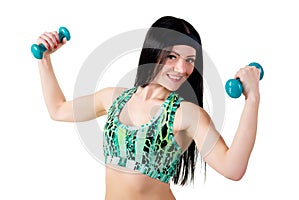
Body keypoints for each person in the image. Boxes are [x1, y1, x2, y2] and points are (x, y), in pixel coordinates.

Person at [36, 16, 261, 200]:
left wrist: (252, 99)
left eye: (190, 60)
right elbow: (58, 109)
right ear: (154, 52)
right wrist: (44, 59)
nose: (182, 68)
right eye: (172, 56)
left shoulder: (187, 115)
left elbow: (233, 168)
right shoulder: (113, 98)